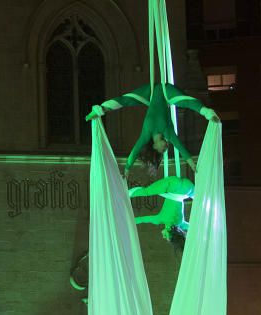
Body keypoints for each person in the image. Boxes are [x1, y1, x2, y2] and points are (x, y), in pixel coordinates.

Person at [86, 82, 220, 177]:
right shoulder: (167, 131)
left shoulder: (146, 134)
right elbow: (180, 147)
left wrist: (127, 169)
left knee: (125, 100)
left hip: (148, 93)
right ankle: (208, 113)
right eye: (166, 149)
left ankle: (100, 109)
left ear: (155, 146)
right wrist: (193, 166)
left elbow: (135, 150)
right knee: (188, 102)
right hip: (167, 93)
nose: (167, 147)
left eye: (163, 150)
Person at [129, 175, 194, 244]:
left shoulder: (182, 224)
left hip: (189, 189)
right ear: (171, 232)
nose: (163, 237)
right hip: (173, 185)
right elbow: (141, 219)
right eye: (166, 236)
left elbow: (195, 228)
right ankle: (124, 193)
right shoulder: (160, 219)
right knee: (146, 191)